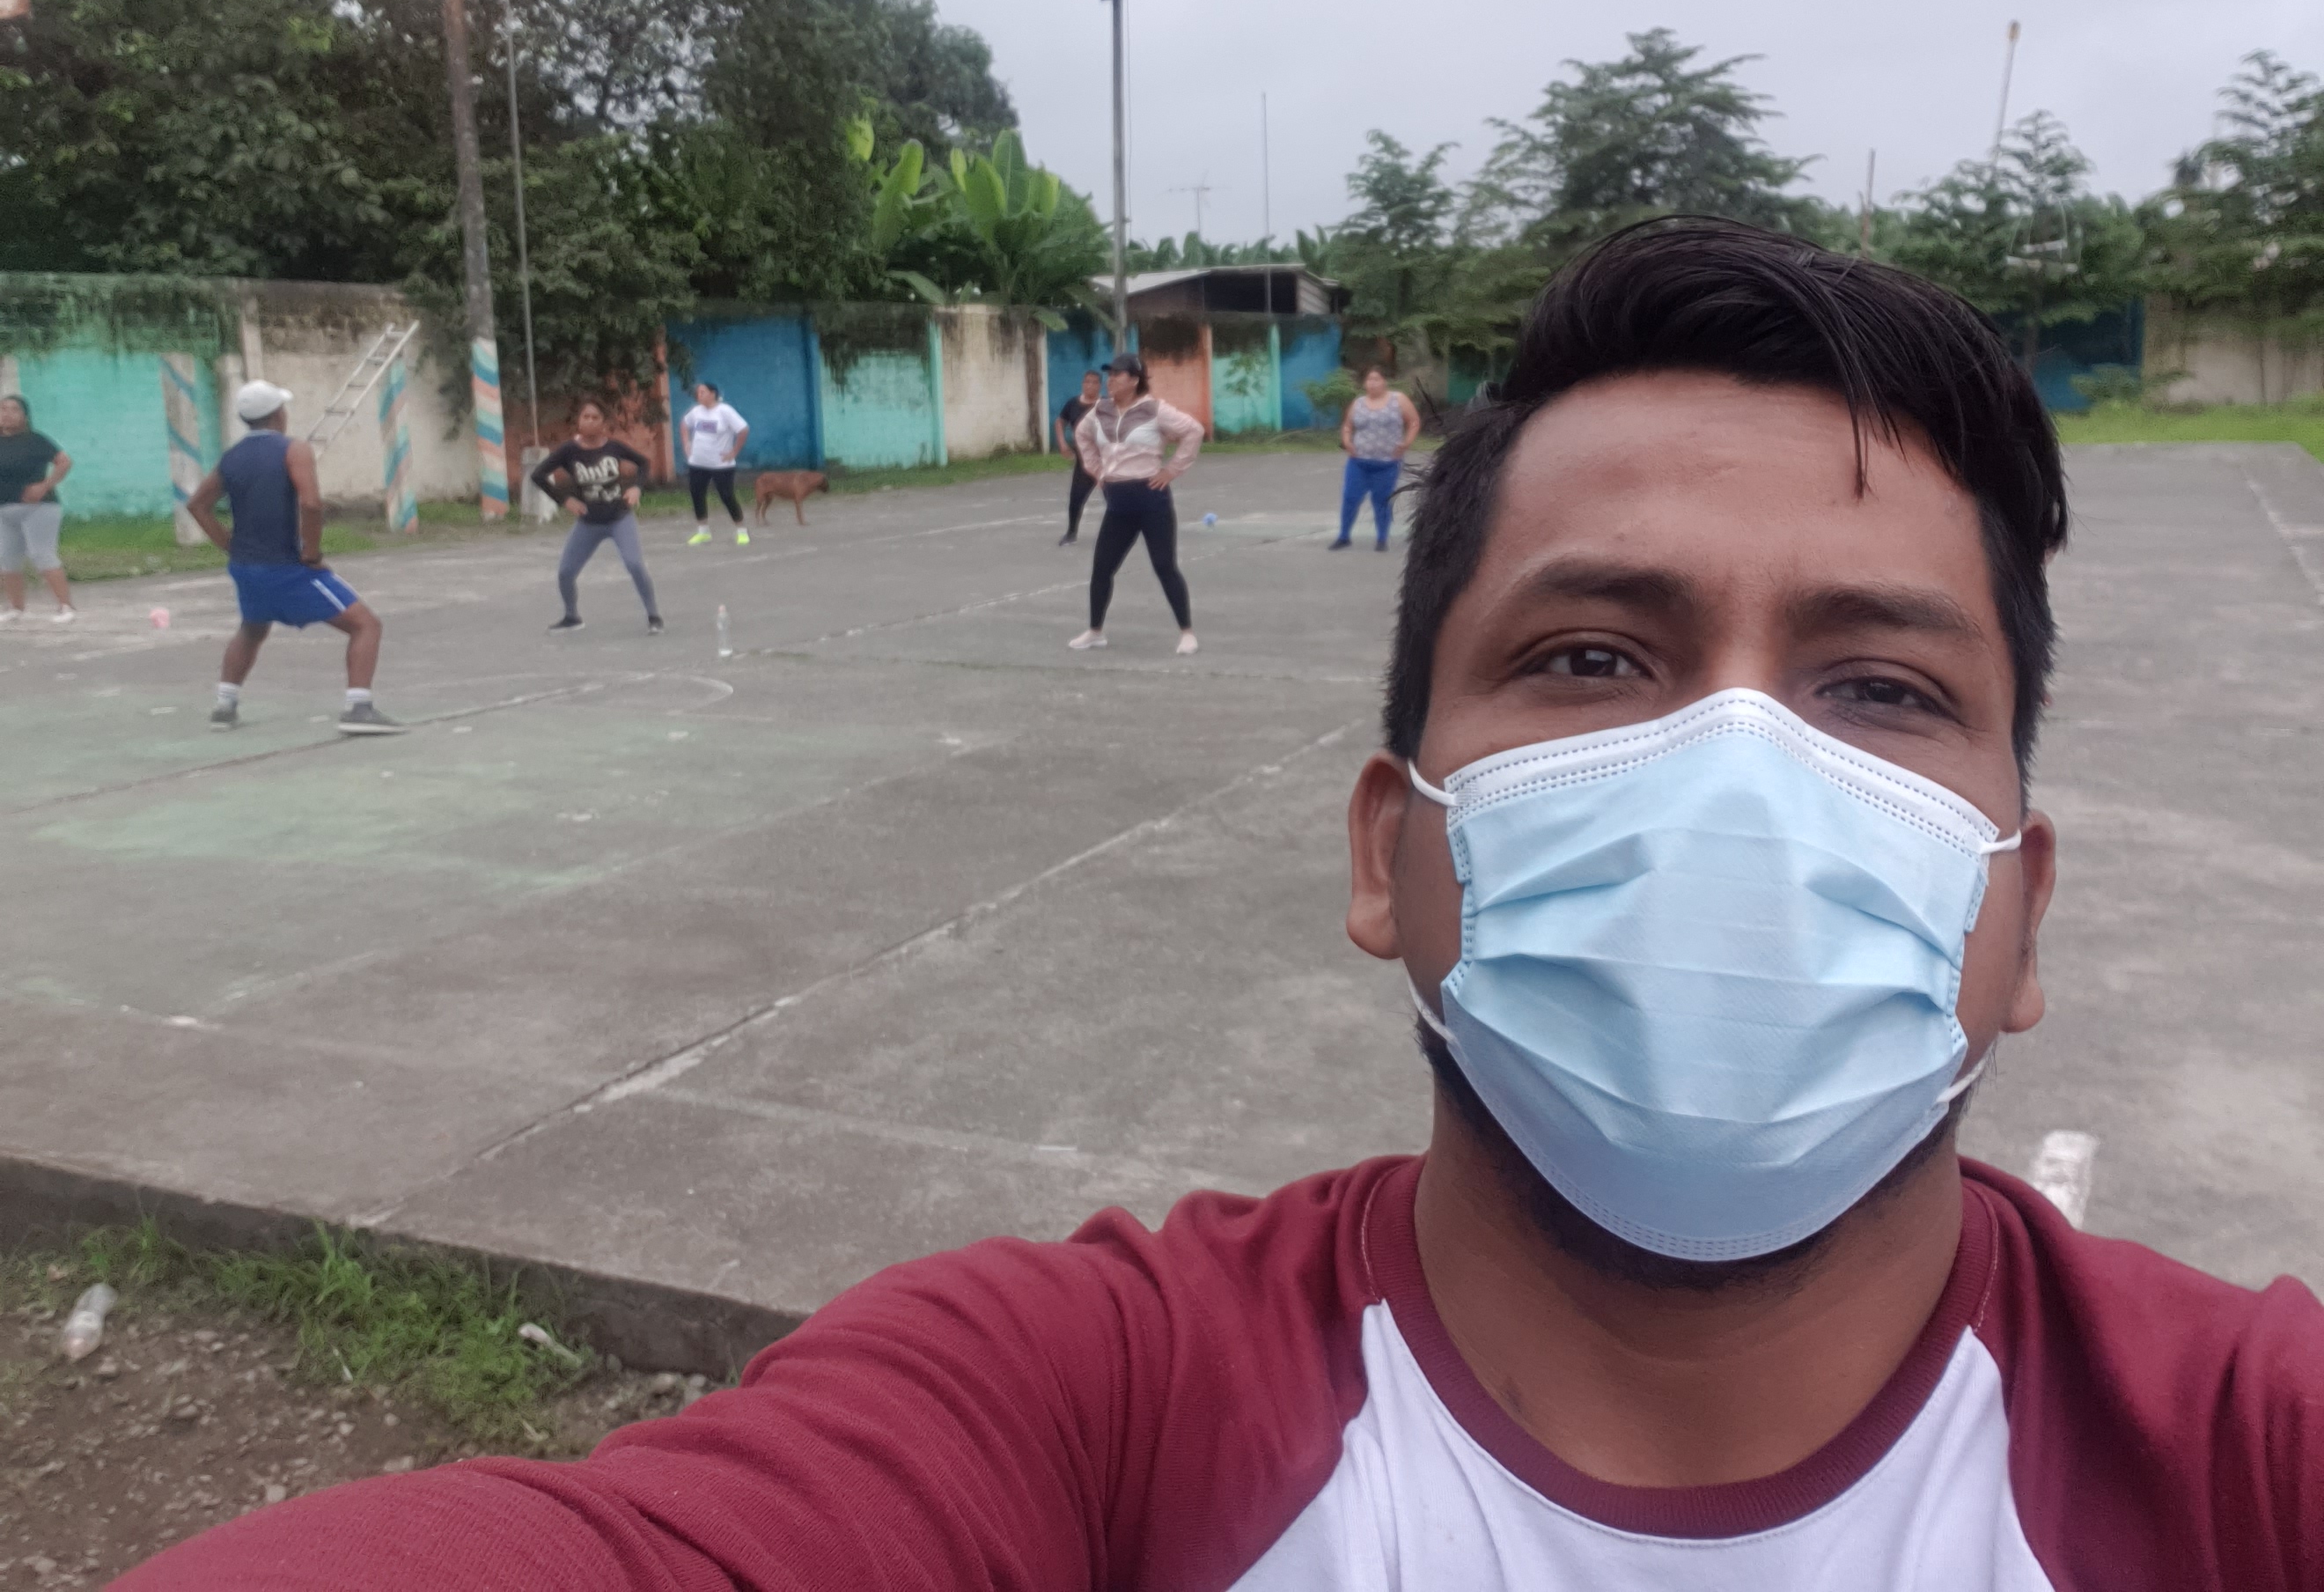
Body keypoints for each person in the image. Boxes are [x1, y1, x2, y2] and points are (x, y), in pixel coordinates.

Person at [123, 221, 2324, 1590]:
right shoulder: (1088, 1415)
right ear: (1388, 848)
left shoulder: (2246, 1463)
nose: (1739, 770)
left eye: (1880, 687)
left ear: (2021, 913)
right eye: (1590, 658)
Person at [185, 381, 400, 735]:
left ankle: (224, 706)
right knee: (365, 625)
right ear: (277, 415)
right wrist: (311, 553)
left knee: (252, 628)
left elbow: (198, 505)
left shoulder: (232, 457)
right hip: (287, 566)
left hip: (246, 566)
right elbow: (311, 503)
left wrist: (229, 545)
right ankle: (358, 708)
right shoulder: (293, 450)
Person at [1069, 353, 1202, 656]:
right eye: (1110, 374)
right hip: (1117, 502)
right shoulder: (1100, 410)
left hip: (1151, 498)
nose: (1110, 380)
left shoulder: (1154, 409)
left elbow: (1193, 431)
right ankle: (1095, 631)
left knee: (1164, 566)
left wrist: (1171, 470)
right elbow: (1081, 436)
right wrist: (1098, 471)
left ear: (1134, 380)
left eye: (1117, 375)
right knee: (1102, 568)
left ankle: (1187, 633)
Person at [531, 400, 663, 635]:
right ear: (579, 421)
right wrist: (565, 500)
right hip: (589, 522)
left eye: (595, 417)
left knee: (634, 564)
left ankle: (654, 616)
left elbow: (643, 463)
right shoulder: (569, 451)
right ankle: (572, 617)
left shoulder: (613, 447)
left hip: (619, 518)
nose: (590, 422)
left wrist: (636, 488)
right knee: (565, 572)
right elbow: (538, 475)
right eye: (586, 417)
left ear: (603, 423)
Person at [0, 393, 75, 623]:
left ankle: (66, 606)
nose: (7, 415)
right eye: (3, 409)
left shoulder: (35, 441)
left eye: (14, 410)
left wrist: (45, 485)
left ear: (25, 416)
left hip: (38, 508)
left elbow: (64, 462)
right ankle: (16, 608)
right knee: (7, 558)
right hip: (4, 508)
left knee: (41, 554)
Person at [1332, 365, 1421, 550]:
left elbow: (1414, 421)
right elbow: (1347, 426)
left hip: (1387, 464)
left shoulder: (1398, 400)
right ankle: (1344, 536)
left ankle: (1381, 539)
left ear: (1384, 381)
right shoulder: (1358, 403)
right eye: (1369, 380)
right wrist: (1347, 441)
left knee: (1381, 500)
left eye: (1376, 379)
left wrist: (1406, 443)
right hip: (1358, 462)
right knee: (1350, 498)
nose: (1372, 383)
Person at [680, 380, 750, 547]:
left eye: (703, 392)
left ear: (713, 394)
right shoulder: (696, 411)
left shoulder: (725, 411)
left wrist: (734, 451)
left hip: (721, 465)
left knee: (727, 496)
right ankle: (703, 532)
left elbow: (743, 429)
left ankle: (741, 531)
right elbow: (684, 424)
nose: (699, 395)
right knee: (697, 495)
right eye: (698, 393)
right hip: (697, 463)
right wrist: (686, 443)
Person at [1055, 368, 1104, 546]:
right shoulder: (1073, 404)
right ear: (1082, 384)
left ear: (1100, 385)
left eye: (1094, 382)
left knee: (1115, 497)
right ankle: (1071, 532)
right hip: (1084, 460)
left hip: (1106, 459)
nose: (1089, 385)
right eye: (1086, 382)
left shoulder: (1106, 404)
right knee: (1076, 497)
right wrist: (1062, 443)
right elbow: (1060, 422)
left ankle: (1127, 531)